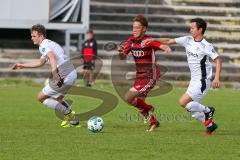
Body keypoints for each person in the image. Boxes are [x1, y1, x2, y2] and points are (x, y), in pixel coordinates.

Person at [142, 18, 222, 135]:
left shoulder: (206, 46)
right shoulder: (187, 40)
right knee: (192, 109)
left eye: (193, 28)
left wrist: (216, 78)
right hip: (193, 81)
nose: (190, 30)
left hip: (203, 81)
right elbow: (169, 40)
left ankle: (208, 110)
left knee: (182, 101)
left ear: (200, 30)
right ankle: (211, 125)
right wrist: (153, 39)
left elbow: (218, 60)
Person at [12, 24, 79, 128]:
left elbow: (52, 58)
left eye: (34, 36)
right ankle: (74, 120)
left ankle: (68, 114)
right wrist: (22, 65)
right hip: (72, 73)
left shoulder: (43, 45)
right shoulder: (49, 44)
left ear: (41, 36)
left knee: (41, 97)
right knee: (58, 98)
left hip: (63, 73)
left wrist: (55, 73)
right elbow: (40, 62)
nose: (32, 38)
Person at [118, 15, 171, 132]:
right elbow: (122, 57)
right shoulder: (130, 41)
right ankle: (154, 122)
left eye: (137, 27)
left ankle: (150, 109)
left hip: (150, 76)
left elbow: (159, 44)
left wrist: (164, 47)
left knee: (128, 97)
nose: (134, 30)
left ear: (144, 29)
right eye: (133, 27)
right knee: (138, 103)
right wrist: (120, 52)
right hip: (139, 76)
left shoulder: (148, 41)